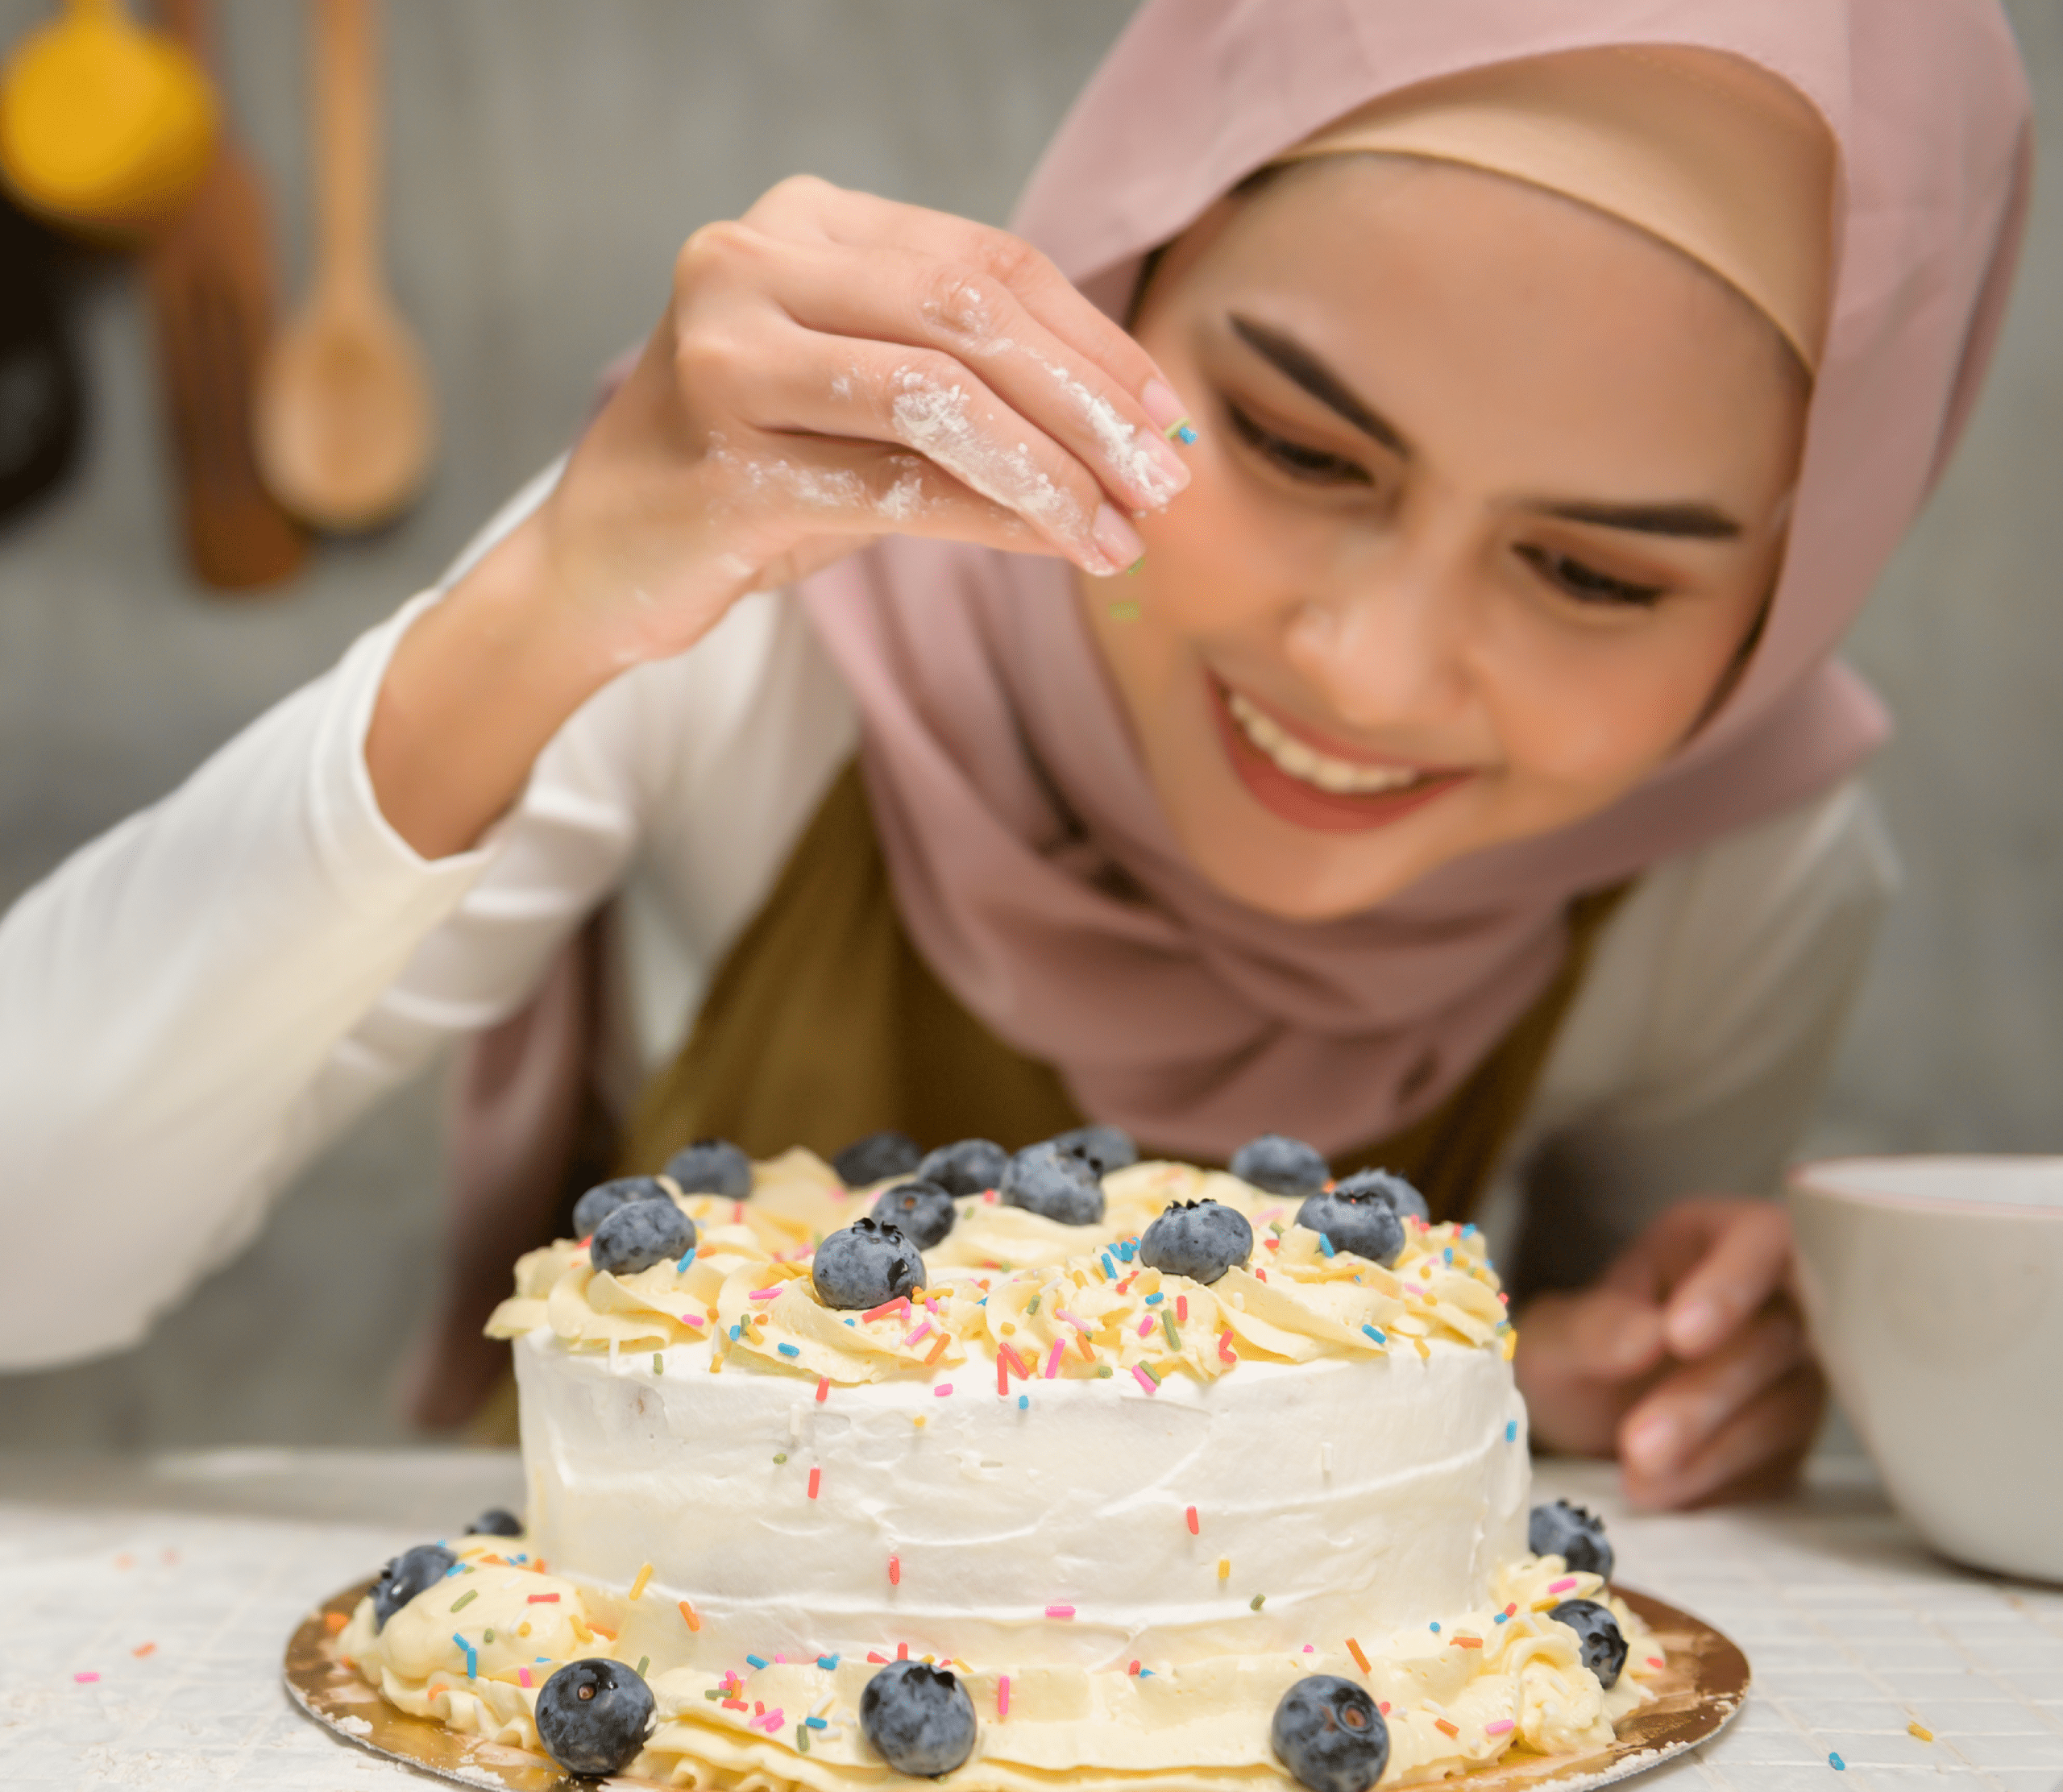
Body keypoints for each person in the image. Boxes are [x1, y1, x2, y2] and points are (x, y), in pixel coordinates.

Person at [0, 3, 2030, 1510]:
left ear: (1786, 602)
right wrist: (541, 605)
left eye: (1592, 574)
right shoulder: (765, 599)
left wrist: (1623, 1373)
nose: (1370, 667)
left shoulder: (1732, 868)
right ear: (1126, 283)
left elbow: (1541, 1518)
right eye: (1296, 446)